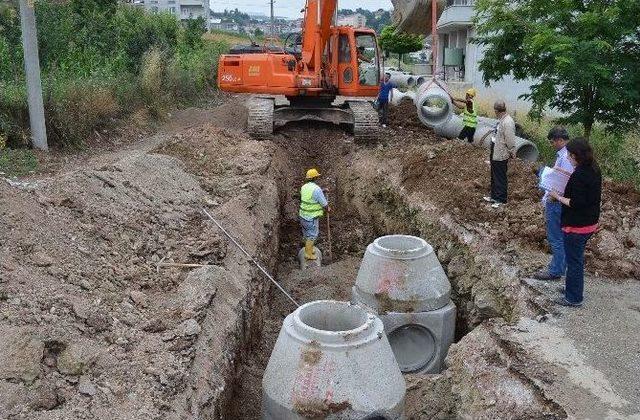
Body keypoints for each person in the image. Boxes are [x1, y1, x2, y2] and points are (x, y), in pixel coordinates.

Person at [549, 138, 601, 307]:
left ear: (575, 156)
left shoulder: (580, 175)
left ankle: (573, 298)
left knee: (574, 262)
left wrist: (557, 197)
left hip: (577, 226)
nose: (568, 159)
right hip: (590, 222)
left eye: (570, 156)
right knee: (575, 260)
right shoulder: (593, 168)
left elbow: (576, 203)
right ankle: (572, 288)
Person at [534, 127, 573, 281]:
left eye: (552, 142)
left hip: (556, 200)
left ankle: (556, 270)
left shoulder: (566, 157)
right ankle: (559, 267)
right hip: (557, 199)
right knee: (559, 237)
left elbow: (564, 181)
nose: (551, 145)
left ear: (560, 140)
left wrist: (553, 196)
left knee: (556, 237)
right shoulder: (566, 155)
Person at [483, 100, 515, 208]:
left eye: (495, 111)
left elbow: (510, 139)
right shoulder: (502, 120)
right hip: (496, 150)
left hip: (501, 153)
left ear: (497, 111)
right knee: (494, 174)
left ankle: (501, 199)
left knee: (500, 175)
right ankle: (494, 196)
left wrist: (512, 151)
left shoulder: (508, 122)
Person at [299, 168, 329, 261]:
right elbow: (324, 203)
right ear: (315, 178)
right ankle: (308, 254)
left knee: (306, 234)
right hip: (311, 217)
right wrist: (328, 208)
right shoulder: (316, 189)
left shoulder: (304, 187)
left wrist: (322, 190)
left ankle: (309, 249)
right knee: (312, 236)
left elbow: (310, 196)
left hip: (303, 215)